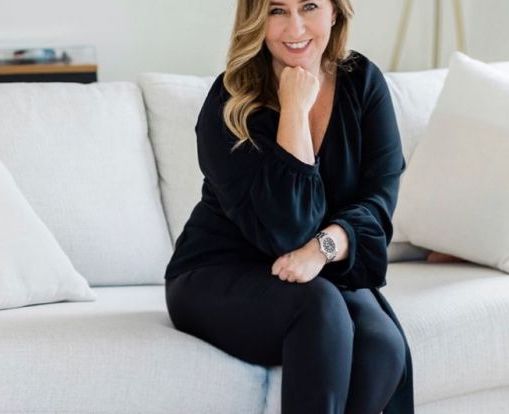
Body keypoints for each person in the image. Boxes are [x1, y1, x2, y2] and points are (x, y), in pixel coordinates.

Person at [164, 0, 414, 413]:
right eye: (277, 10)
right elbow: (286, 230)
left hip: (320, 268)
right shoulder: (230, 100)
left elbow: (378, 202)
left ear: (335, 12)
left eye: (309, 6)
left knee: (382, 345)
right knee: (320, 308)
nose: (295, 27)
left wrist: (322, 249)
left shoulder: (362, 82)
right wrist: (295, 110)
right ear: (256, 20)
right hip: (217, 270)